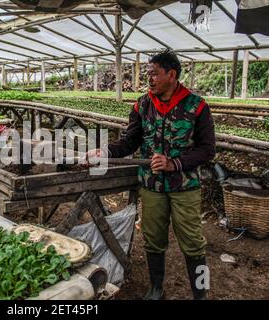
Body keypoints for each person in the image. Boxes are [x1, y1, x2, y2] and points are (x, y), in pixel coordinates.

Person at [88, 50, 215, 300]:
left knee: (193, 244)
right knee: (153, 240)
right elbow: (129, 141)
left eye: (154, 74)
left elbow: (207, 150)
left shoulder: (196, 106)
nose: (150, 79)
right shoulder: (142, 105)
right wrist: (105, 150)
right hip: (152, 185)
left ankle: (202, 292)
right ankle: (156, 288)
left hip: (185, 187)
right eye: (149, 74)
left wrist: (175, 163)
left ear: (172, 74)